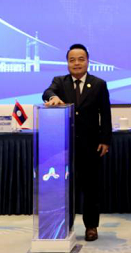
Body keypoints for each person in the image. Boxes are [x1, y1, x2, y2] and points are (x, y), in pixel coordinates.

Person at [43, 43, 112, 242]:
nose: (76, 63)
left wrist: (105, 140)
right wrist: (53, 97)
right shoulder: (60, 82)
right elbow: (47, 92)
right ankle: (66, 225)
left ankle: (91, 226)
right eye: (72, 60)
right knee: (67, 187)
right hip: (65, 145)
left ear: (88, 61)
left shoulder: (98, 84)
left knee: (91, 188)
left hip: (91, 145)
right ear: (67, 63)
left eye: (81, 59)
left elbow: (105, 113)